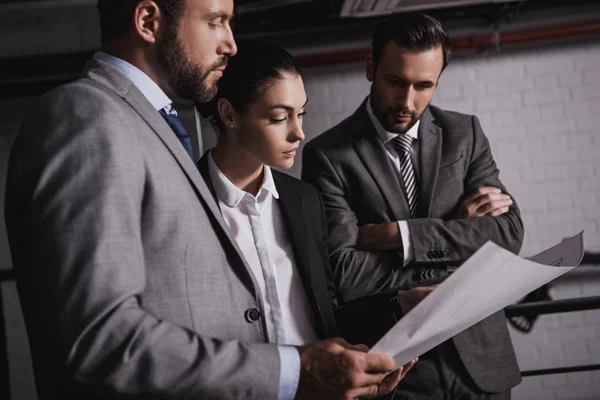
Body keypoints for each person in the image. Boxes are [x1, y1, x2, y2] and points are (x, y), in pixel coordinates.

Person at [5, 1, 410, 399]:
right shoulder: (87, 116)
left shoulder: (148, 126)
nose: (231, 44)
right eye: (216, 21)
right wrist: (294, 371)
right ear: (148, 21)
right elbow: (99, 339)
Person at [302, 12, 524, 400]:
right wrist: (457, 230)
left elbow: (507, 236)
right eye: (395, 82)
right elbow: (344, 272)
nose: (407, 101)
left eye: (424, 86)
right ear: (371, 68)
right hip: (396, 374)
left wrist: (399, 236)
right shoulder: (328, 156)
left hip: (480, 363)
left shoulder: (464, 135)